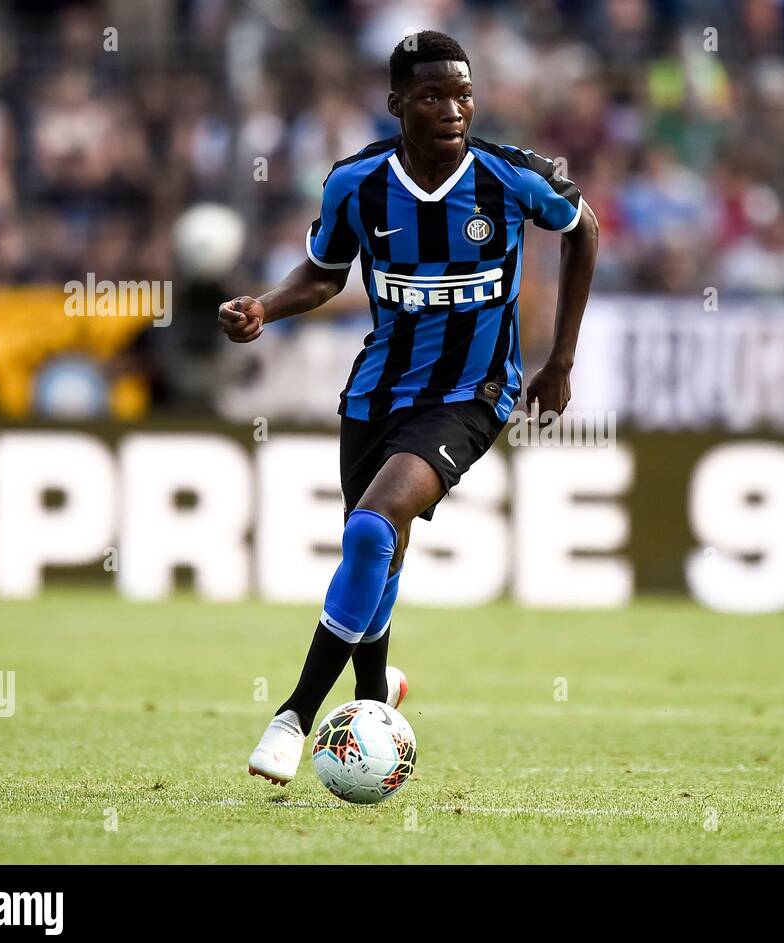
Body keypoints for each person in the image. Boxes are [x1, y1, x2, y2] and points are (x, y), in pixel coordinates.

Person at [219, 31, 600, 785]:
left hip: (473, 394)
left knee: (372, 523)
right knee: (378, 553)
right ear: (397, 104)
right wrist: (266, 305)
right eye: (432, 95)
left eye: (463, 94)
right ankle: (373, 695)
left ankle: (293, 714)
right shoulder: (355, 184)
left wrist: (560, 358)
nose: (453, 109)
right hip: (376, 392)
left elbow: (583, 229)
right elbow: (326, 274)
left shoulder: (509, 176)